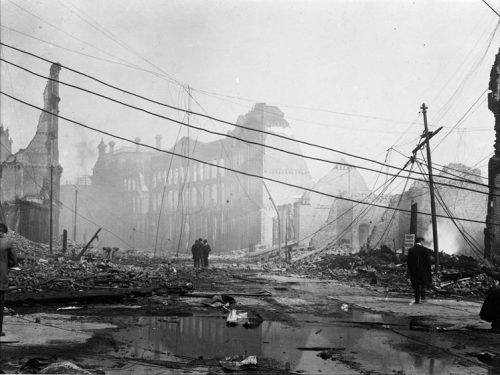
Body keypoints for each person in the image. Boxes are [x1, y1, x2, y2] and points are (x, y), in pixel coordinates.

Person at [0, 223, 18, 337]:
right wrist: (5, 265)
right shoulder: (8, 243)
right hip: (1, 278)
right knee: (0, 305)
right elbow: (14, 261)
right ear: (4, 232)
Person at [406, 237, 432, 304]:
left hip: (414, 271)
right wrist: (428, 271)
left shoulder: (411, 250)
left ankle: (417, 300)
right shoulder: (425, 250)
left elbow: (409, 262)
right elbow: (428, 262)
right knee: (423, 284)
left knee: (416, 285)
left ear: (415, 242)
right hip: (423, 271)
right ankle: (423, 297)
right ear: (421, 242)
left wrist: (409, 271)